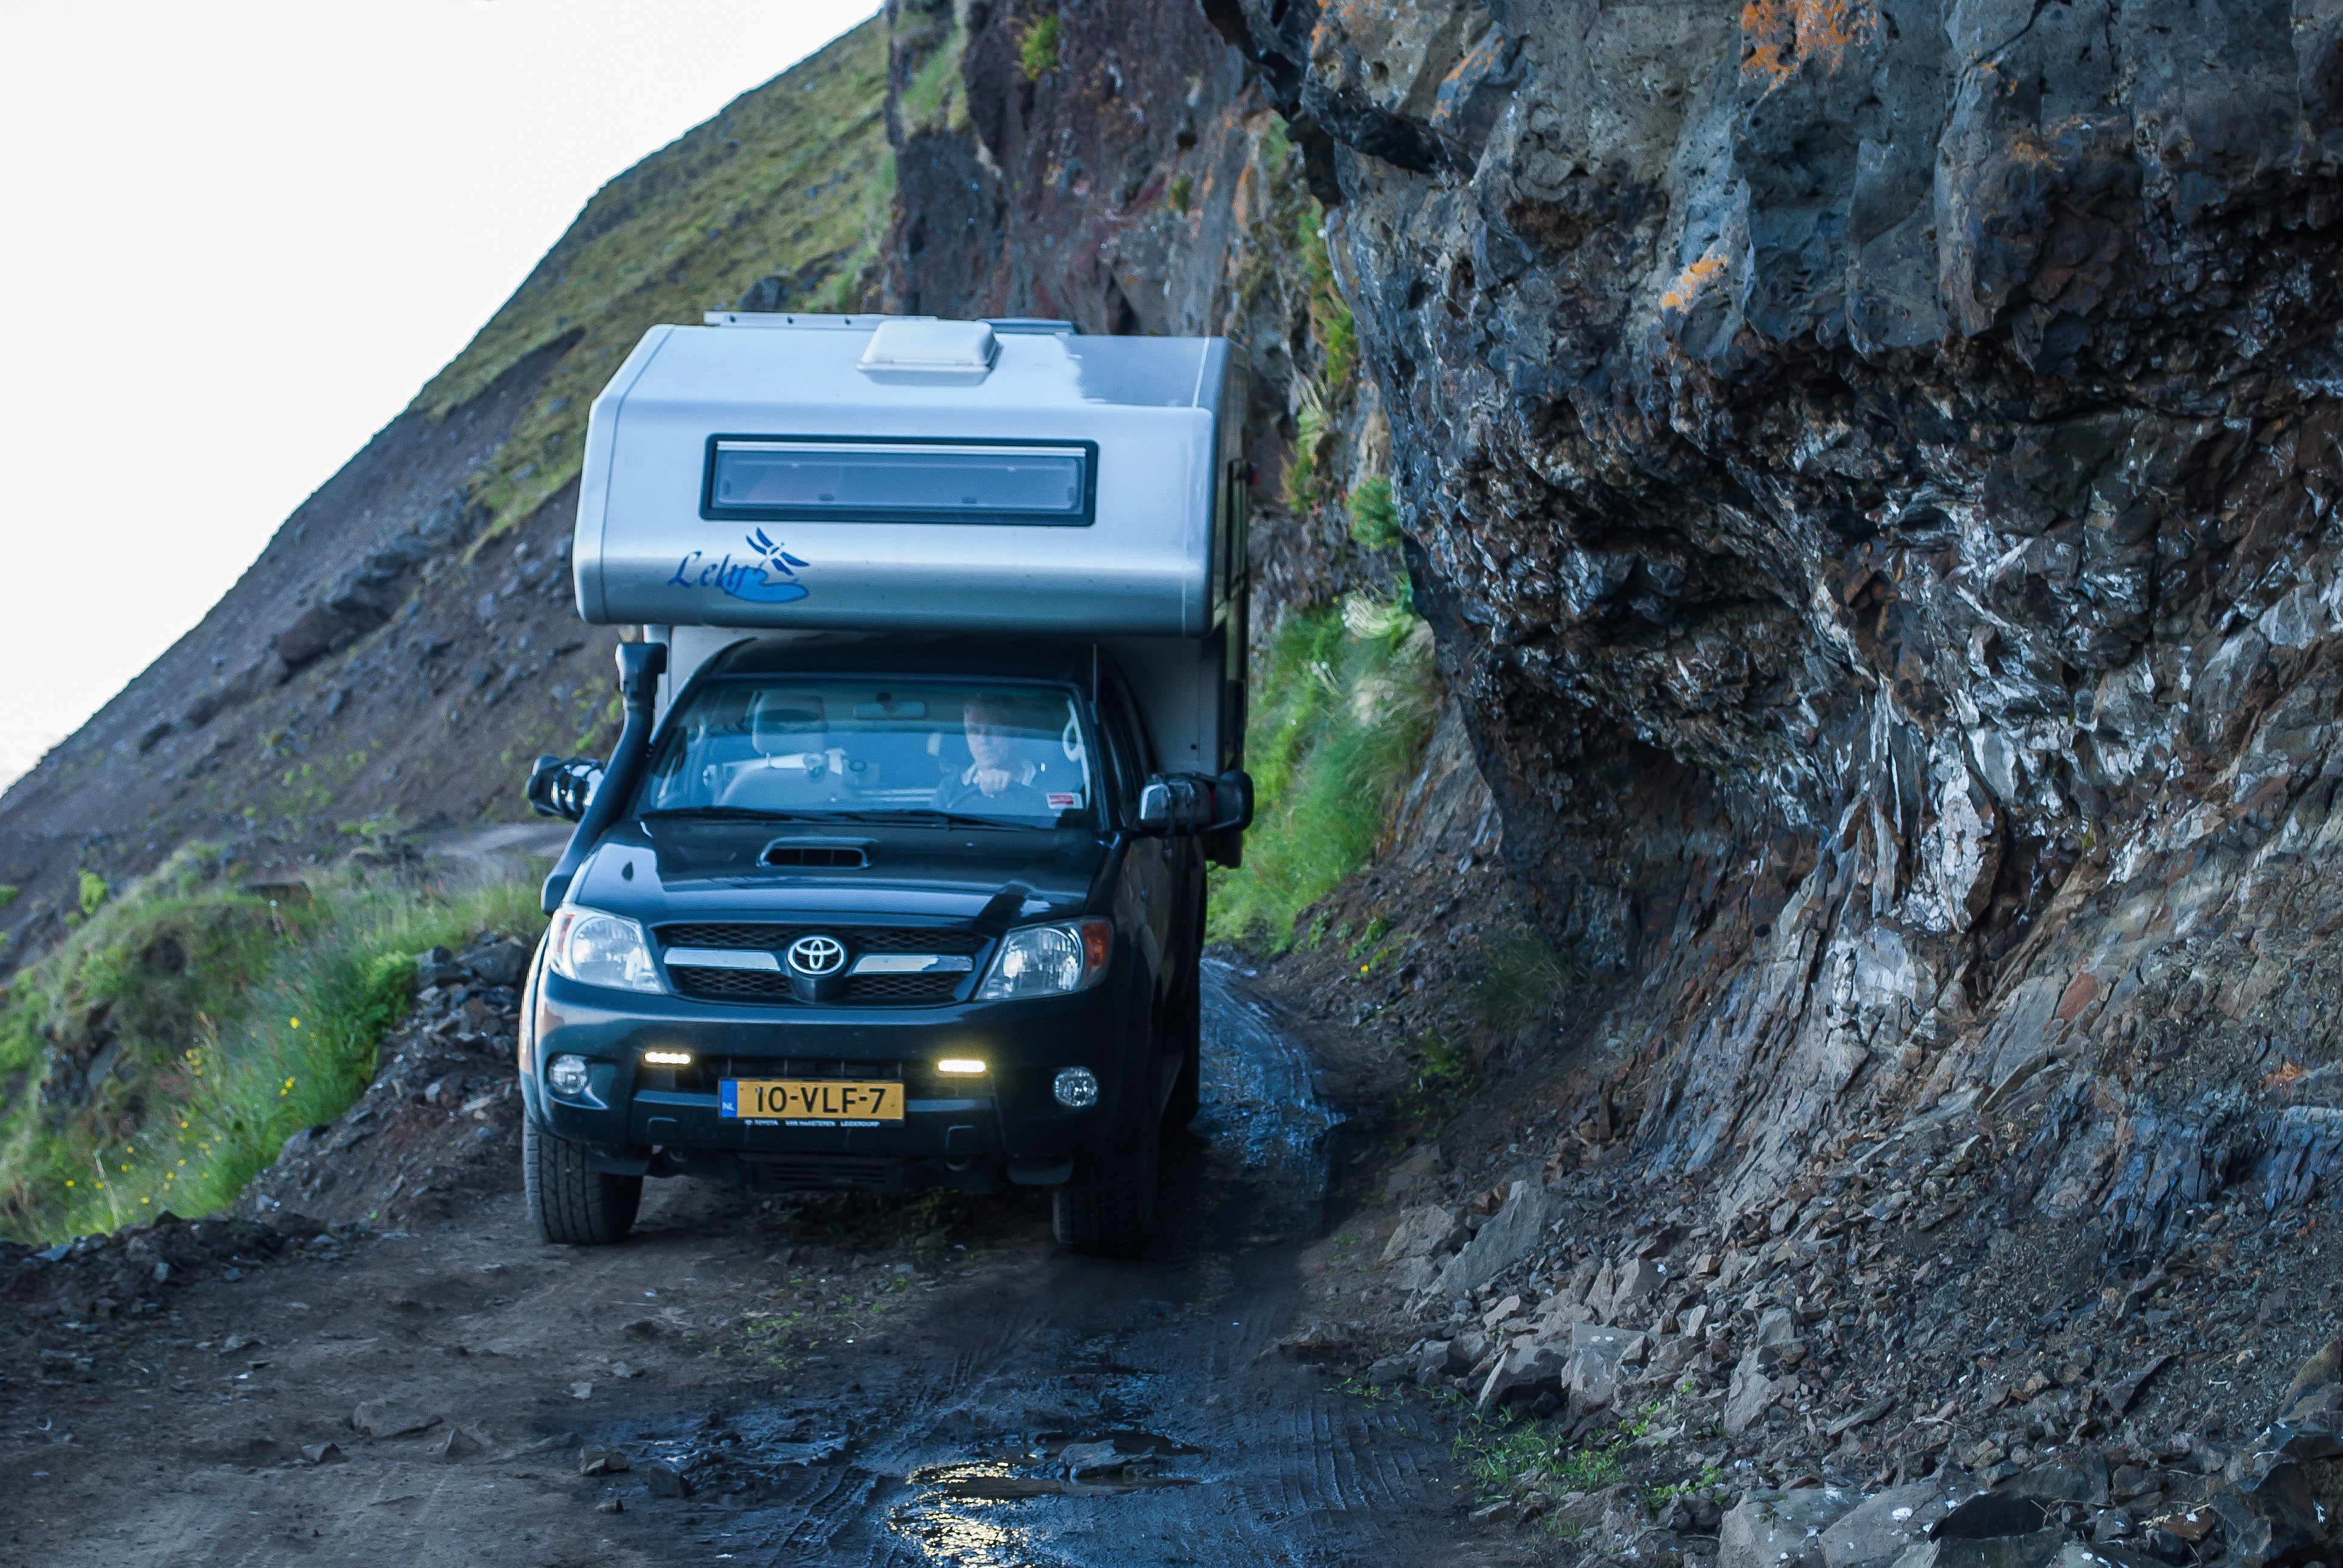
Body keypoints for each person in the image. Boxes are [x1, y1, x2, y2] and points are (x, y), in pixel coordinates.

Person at [933, 694, 1052, 814]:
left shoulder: (1050, 782)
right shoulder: (949, 788)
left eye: (993, 730)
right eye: (974, 731)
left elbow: (1055, 826)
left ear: (1015, 733)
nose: (983, 740)